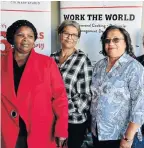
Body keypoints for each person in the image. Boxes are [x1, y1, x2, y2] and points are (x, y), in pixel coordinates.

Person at [1, 20, 68, 148]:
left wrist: (61, 129)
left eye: (30, 36)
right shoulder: (1, 63)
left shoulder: (47, 63)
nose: (26, 39)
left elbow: (60, 98)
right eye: (21, 35)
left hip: (40, 131)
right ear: (12, 37)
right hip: (7, 132)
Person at [90, 25, 144, 148]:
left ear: (126, 43)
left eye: (116, 39)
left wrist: (128, 138)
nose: (111, 43)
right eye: (107, 40)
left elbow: (140, 107)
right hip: (98, 133)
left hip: (120, 136)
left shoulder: (135, 68)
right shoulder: (99, 66)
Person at [50, 20, 93, 148]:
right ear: (59, 35)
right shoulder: (51, 58)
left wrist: (62, 110)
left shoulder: (82, 60)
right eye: (66, 33)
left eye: (74, 35)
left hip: (73, 121)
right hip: (52, 119)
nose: (70, 37)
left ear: (78, 38)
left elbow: (85, 98)